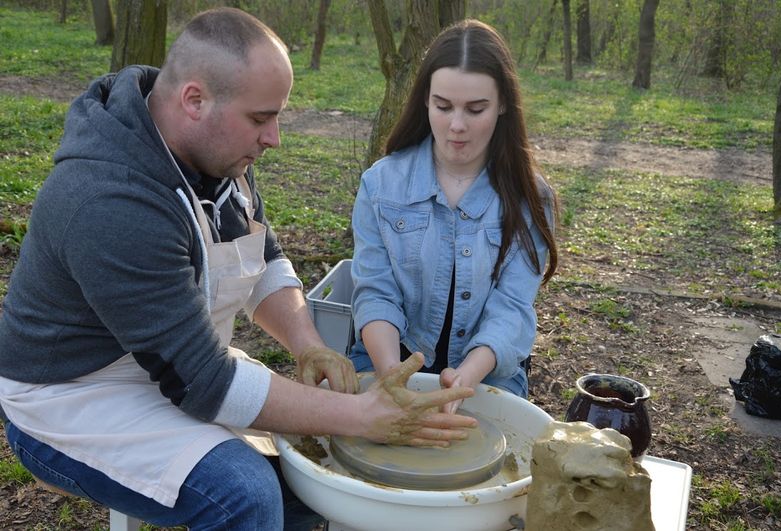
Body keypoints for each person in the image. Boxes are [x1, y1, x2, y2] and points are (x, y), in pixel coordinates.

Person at [0, 8, 476, 530]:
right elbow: (203, 384)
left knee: (304, 476)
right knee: (244, 495)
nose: (274, 138)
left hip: (168, 360)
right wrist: (363, 416)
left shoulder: (214, 152)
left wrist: (307, 343)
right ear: (195, 100)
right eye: (260, 118)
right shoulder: (109, 203)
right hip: (67, 397)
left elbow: (263, 257)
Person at [349, 19, 559, 413]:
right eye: (443, 106)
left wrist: (463, 381)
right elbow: (375, 291)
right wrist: (394, 378)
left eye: (475, 109)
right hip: (387, 360)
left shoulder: (530, 197)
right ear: (425, 101)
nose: (457, 126)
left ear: (502, 107)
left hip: (488, 373)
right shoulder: (381, 185)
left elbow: (512, 307)